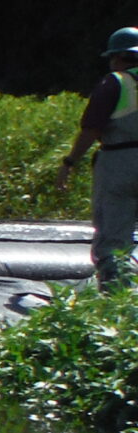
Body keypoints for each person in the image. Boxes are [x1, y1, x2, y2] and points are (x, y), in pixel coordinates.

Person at [58, 27, 138, 281]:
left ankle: (117, 300)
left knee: (112, 237)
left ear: (117, 57)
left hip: (119, 162)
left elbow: (91, 128)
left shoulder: (115, 82)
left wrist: (70, 162)